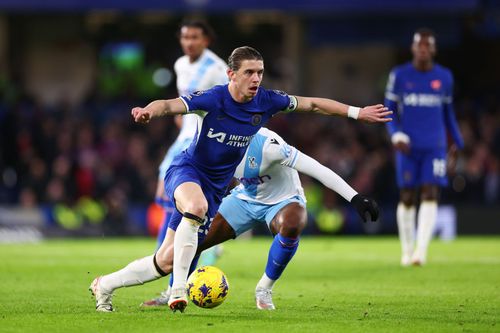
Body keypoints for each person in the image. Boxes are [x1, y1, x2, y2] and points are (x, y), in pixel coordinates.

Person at [91, 45, 391, 313]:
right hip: (188, 171)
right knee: (194, 208)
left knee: (165, 260)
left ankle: (104, 285)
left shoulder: (267, 102)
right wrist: (148, 111)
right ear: (231, 74)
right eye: (249, 72)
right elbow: (170, 105)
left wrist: (356, 112)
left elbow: (312, 104)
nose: (256, 78)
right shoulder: (214, 98)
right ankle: (179, 290)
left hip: (216, 189)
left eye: (260, 72)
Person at [140, 127, 379, 310]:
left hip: (283, 201)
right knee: (194, 240)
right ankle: (173, 291)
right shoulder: (216, 146)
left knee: (292, 224)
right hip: (244, 200)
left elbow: (316, 168)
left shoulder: (269, 145)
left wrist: (355, 198)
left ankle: (264, 288)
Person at [384, 28, 464, 266]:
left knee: (430, 193)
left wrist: (456, 142)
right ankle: (406, 251)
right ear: (413, 48)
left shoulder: (445, 77)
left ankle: (421, 251)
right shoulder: (399, 75)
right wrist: (395, 134)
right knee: (407, 195)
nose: (424, 49)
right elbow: (389, 109)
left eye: (428, 45)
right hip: (408, 146)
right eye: (420, 45)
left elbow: (448, 112)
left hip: (435, 145)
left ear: (434, 49)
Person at [154, 19, 228, 253]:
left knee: (177, 198)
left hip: (203, 138)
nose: (189, 42)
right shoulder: (180, 65)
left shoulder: (217, 69)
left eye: (195, 37)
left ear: (206, 40)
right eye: (185, 37)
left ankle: (167, 256)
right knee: (164, 193)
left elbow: (229, 105)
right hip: (186, 133)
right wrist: (181, 116)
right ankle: (192, 247)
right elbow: (184, 99)